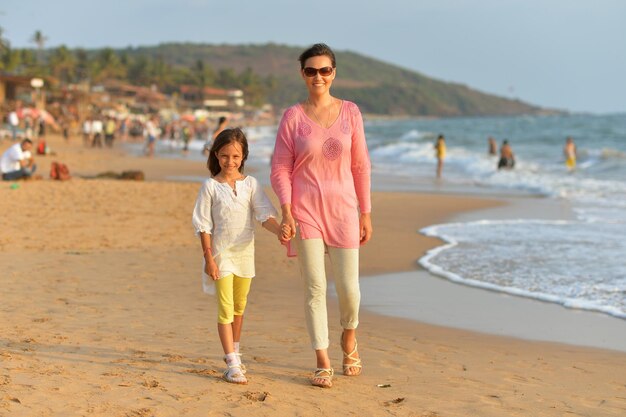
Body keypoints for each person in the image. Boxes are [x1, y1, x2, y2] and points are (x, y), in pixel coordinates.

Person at [270, 43, 372, 388]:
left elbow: (360, 165)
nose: (318, 76)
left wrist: (366, 211)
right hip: (306, 211)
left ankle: (348, 336)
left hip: (344, 209)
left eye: (324, 70)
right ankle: (322, 359)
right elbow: (280, 168)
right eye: (311, 70)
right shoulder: (293, 117)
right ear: (303, 74)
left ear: (333, 73)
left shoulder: (351, 113)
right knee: (314, 287)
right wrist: (286, 209)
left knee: (349, 289)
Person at [192, 127, 289, 385]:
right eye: (224, 156)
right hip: (221, 255)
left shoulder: (251, 185)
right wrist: (209, 258)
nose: (230, 161)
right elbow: (203, 225)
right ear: (216, 155)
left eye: (235, 156)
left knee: (239, 307)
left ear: (243, 156)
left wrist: (279, 230)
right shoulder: (210, 187)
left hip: (245, 254)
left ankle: (234, 351)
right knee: (225, 309)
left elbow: (264, 215)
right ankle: (232, 362)